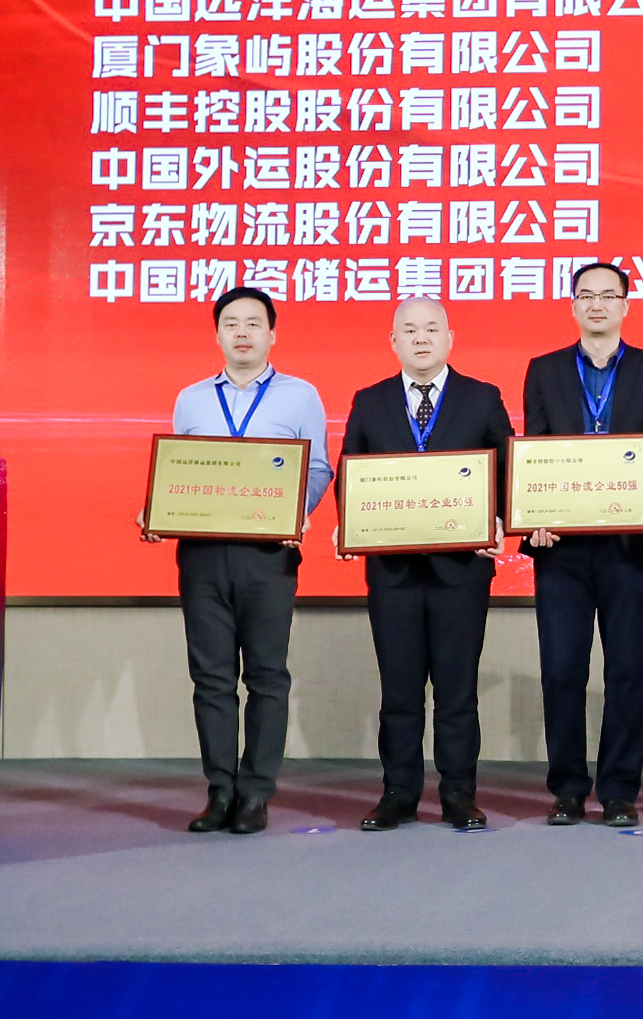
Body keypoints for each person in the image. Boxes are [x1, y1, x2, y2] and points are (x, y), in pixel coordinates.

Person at [341, 297, 514, 834]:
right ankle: (398, 794)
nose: (421, 338)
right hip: (393, 572)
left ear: (449, 338)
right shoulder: (369, 401)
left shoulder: (482, 397)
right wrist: (352, 524)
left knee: (457, 690)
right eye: (410, 330)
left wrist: (499, 521)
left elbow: (507, 472)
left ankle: (459, 793)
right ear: (393, 341)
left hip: (461, 570)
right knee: (399, 691)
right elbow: (351, 474)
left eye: (431, 329)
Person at [519, 260, 643, 828]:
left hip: (627, 547)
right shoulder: (543, 370)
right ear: (572, 305)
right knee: (562, 670)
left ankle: (618, 790)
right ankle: (567, 788)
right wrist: (533, 518)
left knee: (627, 672)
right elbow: (534, 453)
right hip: (561, 548)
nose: (596, 304)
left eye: (608, 295)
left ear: (625, 306)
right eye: (586, 295)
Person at [169, 285, 332, 835]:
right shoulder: (191, 398)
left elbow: (318, 468)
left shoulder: (301, 395)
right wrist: (159, 508)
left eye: (253, 323)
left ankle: (256, 793)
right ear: (217, 334)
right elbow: (180, 471)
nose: (242, 332)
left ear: (271, 334)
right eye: (231, 323)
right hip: (202, 557)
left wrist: (296, 514)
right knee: (211, 678)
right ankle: (220, 791)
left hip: (269, 555)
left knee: (266, 676)